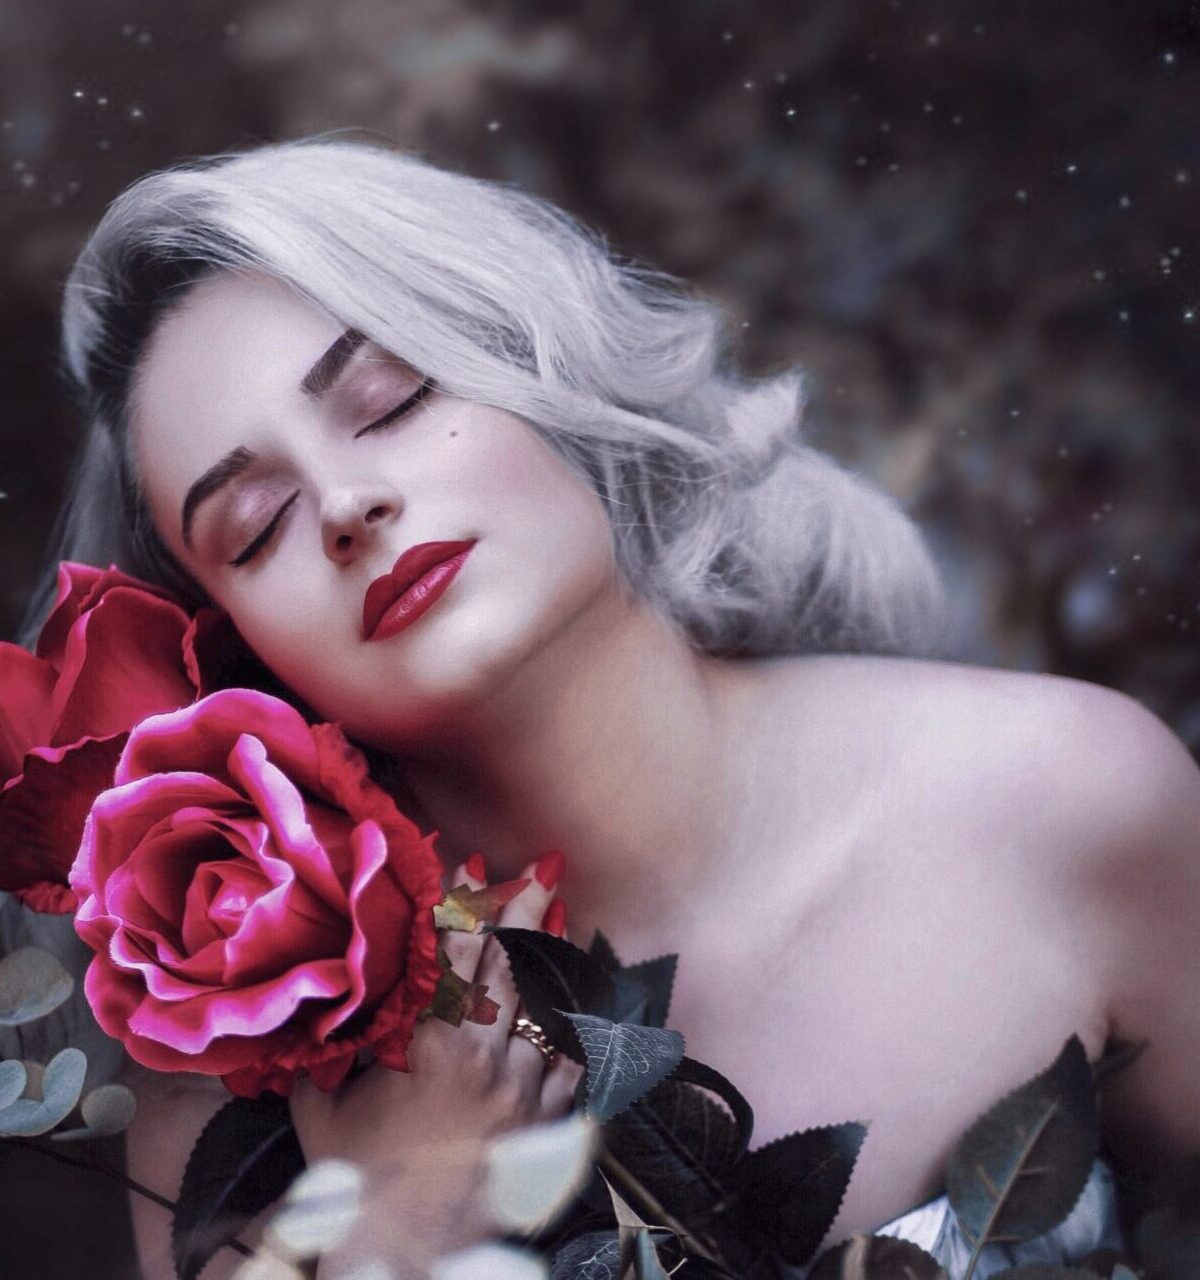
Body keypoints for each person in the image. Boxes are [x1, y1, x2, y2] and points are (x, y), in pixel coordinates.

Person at [18, 134, 1200, 1279]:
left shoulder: (1062, 800)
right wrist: (392, 1230)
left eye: (390, 398)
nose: (343, 502)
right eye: (255, 525)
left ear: (546, 364)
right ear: (235, 651)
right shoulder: (225, 1080)